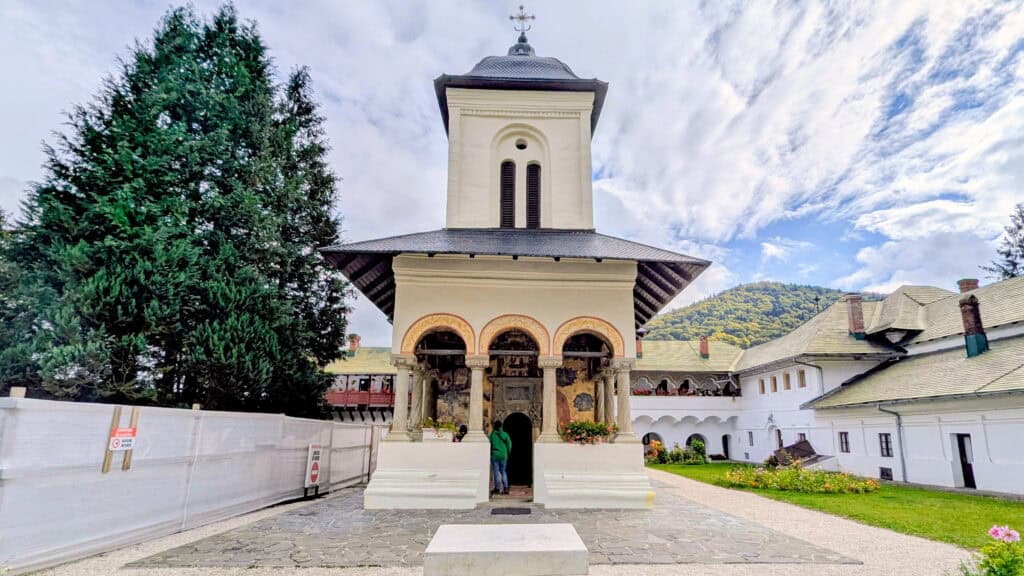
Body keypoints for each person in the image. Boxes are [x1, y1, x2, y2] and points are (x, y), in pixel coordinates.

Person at [489, 419, 512, 495]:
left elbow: (489, 444)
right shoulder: (505, 434)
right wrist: (507, 453)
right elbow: (509, 445)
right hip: (503, 455)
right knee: (503, 471)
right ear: (501, 426)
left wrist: (490, 453)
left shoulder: (492, 435)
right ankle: (506, 488)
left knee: (495, 472)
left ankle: (497, 488)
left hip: (495, 455)